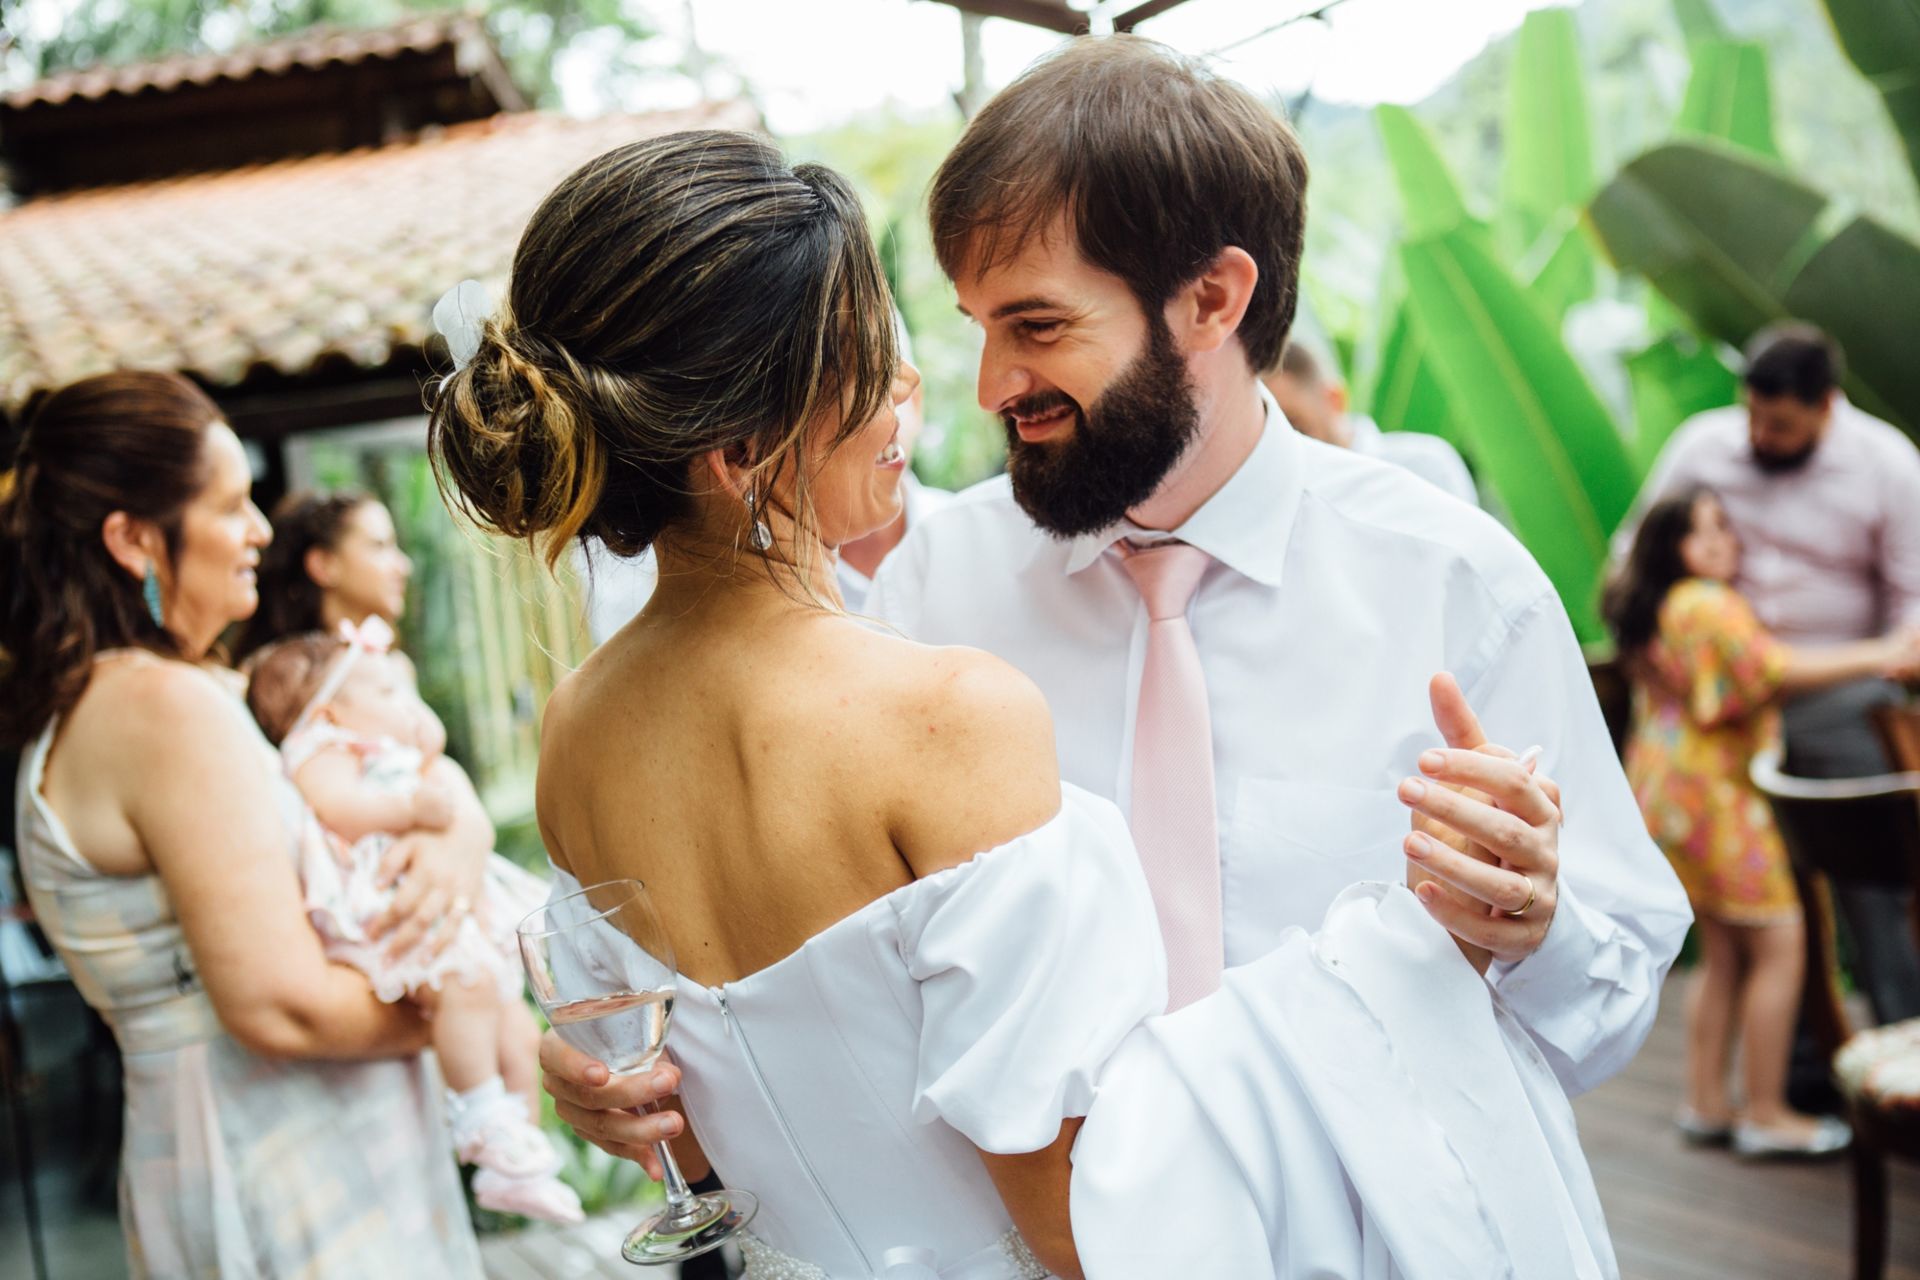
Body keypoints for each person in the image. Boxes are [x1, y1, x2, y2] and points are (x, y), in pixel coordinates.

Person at [437, 113, 1624, 1280]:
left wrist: (1536, 921)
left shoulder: (575, 731)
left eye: (1033, 323)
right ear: (741, 449)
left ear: (1214, 300)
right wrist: (1394, 963)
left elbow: (702, 1131)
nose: (940, 382)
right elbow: (1072, 1223)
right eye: (876, 346)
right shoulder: (943, 682)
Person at [0, 371, 484, 1274]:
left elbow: (406, 772)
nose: (262, 528)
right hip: (282, 1149)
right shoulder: (159, 710)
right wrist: (467, 1006)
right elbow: (282, 1007)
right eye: (231, 508)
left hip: (293, 1128)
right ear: (134, 540)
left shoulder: (192, 692)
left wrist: (460, 839)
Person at [1605, 486, 1920, 1157]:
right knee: (1781, 942)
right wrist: (1879, 653)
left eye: (1724, 526)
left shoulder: (1658, 606)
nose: (1721, 542)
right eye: (1702, 532)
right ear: (1672, 548)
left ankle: (1707, 1103)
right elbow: (1770, 671)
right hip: (1718, 798)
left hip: (1664, 794)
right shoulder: (1710, 604)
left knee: (1723, 954)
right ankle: (1767, 1112)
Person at [1623, 322, 1920, 1027]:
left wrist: (1900, 652)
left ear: (1826, 405)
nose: (1760, 435)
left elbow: (1914, 596)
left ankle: (1901, 1064)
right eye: (1752, 414)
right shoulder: (1704, 446)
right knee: (1768, 909)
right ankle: (1797, 1084)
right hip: (1721, 713)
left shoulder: (1887, 464)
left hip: (1846, 700)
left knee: (1872, 889)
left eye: (1781, 424)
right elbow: (1634, 553)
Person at [245, 622, 580, 1222]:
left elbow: (432, 741)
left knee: (519, 1031)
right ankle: (482, 1119)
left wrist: (404, 708)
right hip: (387, 911)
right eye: (381, 693)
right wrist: (408, 808)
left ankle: (519, 1158)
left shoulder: (391, 749)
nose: (399, 701)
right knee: (472, 988)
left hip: (443, 910)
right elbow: (340, 812)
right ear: (326, 715)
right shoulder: (321, 751)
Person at [574, 313, 949, 638]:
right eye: (865, 366)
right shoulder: (969, 695)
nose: (908, 384)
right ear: (740, 451)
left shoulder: (575, 709)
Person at [1263, 340, 1479, 505]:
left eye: (1297, 426)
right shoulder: (1284, 495)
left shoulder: (1424, 467)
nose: (1288, 441)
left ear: (1334, 399)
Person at [234, 488, 414, 665]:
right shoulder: (274, 674)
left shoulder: (394, 664)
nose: (404, 567)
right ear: (323, 564)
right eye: (379, 546)